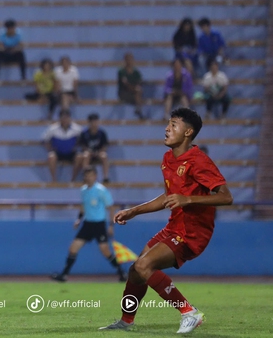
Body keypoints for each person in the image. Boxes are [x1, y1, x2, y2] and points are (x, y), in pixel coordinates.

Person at [100, 108, 233, 334]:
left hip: (192, 232)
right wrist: (134, 211)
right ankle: (127, 321)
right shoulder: (168, 159)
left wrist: (187, 199)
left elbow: (226, 197)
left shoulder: (198, 161)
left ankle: (189, 312)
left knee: (144, 265)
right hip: (174, 227)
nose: (167, 128)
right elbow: (168, 197)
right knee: (136, 270)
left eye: (173, 124)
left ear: (188, 132)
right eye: (168, 124)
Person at [51, 167, 126, 282]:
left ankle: (121, 273)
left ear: (95, 176)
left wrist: (111, 225)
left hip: (99, 224)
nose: (88, 177)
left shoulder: (101, 190)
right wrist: (79, 219)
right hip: (87, 224)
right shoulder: (83, 190)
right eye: (86, 175)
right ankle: (64, 275)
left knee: (105, 251)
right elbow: (83, 206)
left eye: (90, 175)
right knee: (73, 248)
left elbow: (110, 208)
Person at [43, 109, 83, 182]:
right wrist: (50, 148)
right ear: (60, 118)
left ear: (70, 118)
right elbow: (45, 140)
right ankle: (54, 179)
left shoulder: (77, 128)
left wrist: (76, 147)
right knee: (51, 156)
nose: (65, 120)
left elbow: (82, 140)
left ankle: (73, 179)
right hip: (58, 153)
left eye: (67, 118)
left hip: (71, 153)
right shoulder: (52, 129)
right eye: (63, 118)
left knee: (79, 157)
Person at [77, 113, 110, 183]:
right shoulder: (84, 133)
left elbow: (105, 146)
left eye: (96, 121)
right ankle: (85, 177)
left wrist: (99, 152)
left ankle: (105, 177)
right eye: (92, 122)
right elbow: (83, 146)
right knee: (86, 155)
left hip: (99, 152)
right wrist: (89, 151)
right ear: (89, 123)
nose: (94, 124)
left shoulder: (102, 133)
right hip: (89, 152)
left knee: (104, 156)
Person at [117, 52, 144, 119]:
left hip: (134, 93)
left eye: (130, 59)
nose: (129, 61)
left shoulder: (136, 72)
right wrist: (134, 89)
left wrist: (136, 89)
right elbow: (125, 84)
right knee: (137, 92)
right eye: (127, 59)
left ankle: (138, 109)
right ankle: (138, 108)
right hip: (124, 93)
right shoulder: (121, 71)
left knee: (138, 92)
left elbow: (139, 82)